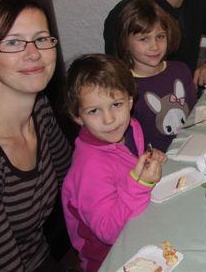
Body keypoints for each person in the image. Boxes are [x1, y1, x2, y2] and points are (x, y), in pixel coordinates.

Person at [0, 0, 72, 272]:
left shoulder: (39, 109)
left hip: (39, 257)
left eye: (41, 38)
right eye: (13, 42)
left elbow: (72, 178)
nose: (34, 53)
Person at [62, 54, 167, 272]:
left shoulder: (129, 128)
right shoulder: (89, 168)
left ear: (130, 101)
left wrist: (148, 159)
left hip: (141, 229)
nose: (109, 119)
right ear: (77, 116)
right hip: (112, 259)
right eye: (94, 111)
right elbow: (108, 232)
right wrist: (140, 183)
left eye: (116, 104)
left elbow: (124, 164)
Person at [115, 0, 197, 152]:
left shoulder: (181, 70)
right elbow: (126, 142)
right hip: (154, 162)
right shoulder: (122, 87)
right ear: (125, 43)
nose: (155, 46)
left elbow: (194, 115)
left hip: (191, 150)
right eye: (144, 39)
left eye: (160, 36)